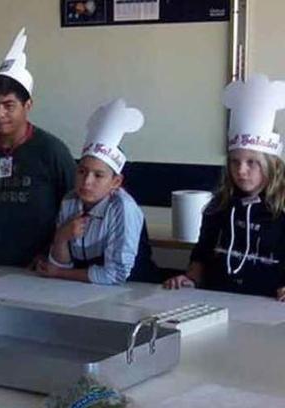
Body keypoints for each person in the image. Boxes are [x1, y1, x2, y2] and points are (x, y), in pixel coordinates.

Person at [165, 74, 285, 300]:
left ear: (272, 165)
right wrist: (190, 278)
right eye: (234, 162)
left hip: (269, 304)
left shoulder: (281, 209)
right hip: (218, 298)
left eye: (252, 163)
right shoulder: (219, 205)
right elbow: (202, 253)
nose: (241, 170)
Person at [0, 28, 75, 267]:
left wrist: (53, 252)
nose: (0, 114)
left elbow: (73, 207)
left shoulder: (52, 150)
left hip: (38, 264)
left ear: (28, 105)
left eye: (9, 105)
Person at [36, 98, 158, 284]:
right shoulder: (70, 201)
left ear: (115, 182)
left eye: (98, 175)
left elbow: (115, 275)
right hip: (84, 288)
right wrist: (62, 237)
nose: (87, 181)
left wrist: (59, 274)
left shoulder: (122, 208)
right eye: (82, 171)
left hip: (133, 289)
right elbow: (61, 264)